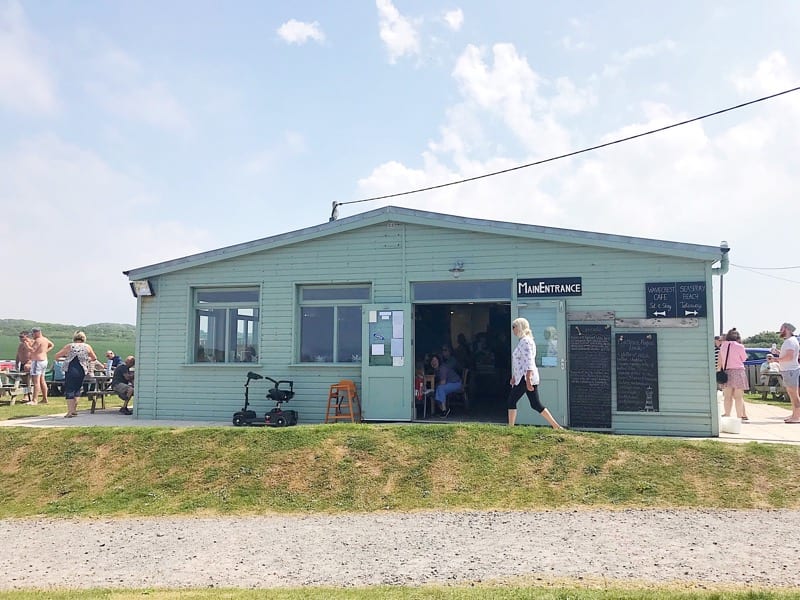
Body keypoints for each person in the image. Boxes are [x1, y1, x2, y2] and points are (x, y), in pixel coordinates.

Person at [507, 317, 562, 429]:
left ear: (520, 327)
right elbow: (520, 362)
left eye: (514, 327)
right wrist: (514, 376)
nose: (513, 329)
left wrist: (528, 379)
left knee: (511, 401)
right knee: (535, 404)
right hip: (523, 377)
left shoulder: (525, 342)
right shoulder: (523, 341)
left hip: (525, 378)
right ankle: (556, 426)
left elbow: (529, 361)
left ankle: (511, 427)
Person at [54, 331, 97, 418]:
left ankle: (70, 412)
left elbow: (57, 356)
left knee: (70, 389)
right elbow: (94, 358)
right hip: (82, 370)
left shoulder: (70, 346)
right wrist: (85, 359)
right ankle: (74, 410)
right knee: (77, 389)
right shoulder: (87, 346)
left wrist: (65, 359)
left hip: (71, 369)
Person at [718, 328, 749, 421]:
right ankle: (739, 417)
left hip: (727, 372)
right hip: (738, 372)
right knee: (738, 397)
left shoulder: (723, 346)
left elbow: (720, 360)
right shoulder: (740, 346)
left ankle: (727, 415)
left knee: (727, 397)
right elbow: (744, 358)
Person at [777, 322, 800, 423]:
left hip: (790, 370)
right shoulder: (791, 341)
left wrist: (776, 359)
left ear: (787, 329)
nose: (780, 331)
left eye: (781, 329)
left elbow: (790, 357)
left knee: (794, 394)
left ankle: (797, 417)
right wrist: (778, 353)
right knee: (792, 394)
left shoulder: (790, 341)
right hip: (789, 370)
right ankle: (794, 415)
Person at [27, 327, 54, 405]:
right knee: (42, 380)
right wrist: (45, 351)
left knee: (36, 381)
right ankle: (45, 398)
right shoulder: (45, 339)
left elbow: (32, 350)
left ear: (37, 333)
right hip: (44, 361)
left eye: (33, 334)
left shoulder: (38, 340)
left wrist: (26, 345)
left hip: (37, 361)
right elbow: (52, 345)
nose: (32, 335)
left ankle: (34, 400)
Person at [429, 353, 461, 418]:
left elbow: (443, 382)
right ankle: (443, 410)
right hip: (449, 384)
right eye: (432, 361)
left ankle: (444, 410)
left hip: (456, 383)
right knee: (438, 390)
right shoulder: (436, 370)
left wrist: (434, 388)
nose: (434, 362)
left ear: (439, 361)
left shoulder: (442, 368)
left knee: (440, 388)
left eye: (435, 360)